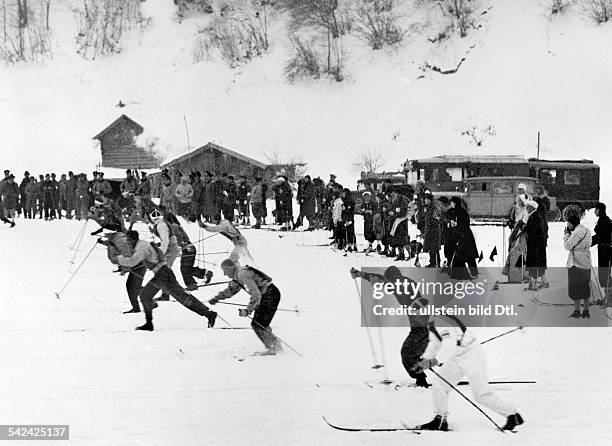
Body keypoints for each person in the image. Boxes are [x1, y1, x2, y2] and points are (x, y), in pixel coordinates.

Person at [415, 319, 524, 431]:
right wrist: (423, 360)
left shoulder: (440, 321)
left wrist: (433, 361)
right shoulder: (431, 323)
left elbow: (449, 346)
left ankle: (512, 415)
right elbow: (435, 344)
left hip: (471, 355)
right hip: (456, 356)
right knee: (439, 384)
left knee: (480, 394)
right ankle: (440, 420)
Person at [113, 230, 217, 331]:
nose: (127, 243)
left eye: (128, 241)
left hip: (163, 275)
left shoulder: (141, 248)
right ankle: (149, 323)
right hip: (161, 274)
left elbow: (133, 261)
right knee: (145, 295)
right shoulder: (141, 244)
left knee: (182, 297)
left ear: (132, 240)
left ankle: (209, 314)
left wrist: (118, 259)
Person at [350, 266, 431, 388]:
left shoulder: (403, 284)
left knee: (407, 352)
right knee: (411, 353)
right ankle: (422, 376)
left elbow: (388, 283)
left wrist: (376, 283)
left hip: (423, 326)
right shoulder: (399, 282)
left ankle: (422, 380)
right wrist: (360, 274)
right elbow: (381, 279)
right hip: (419, 326)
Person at [209, 258, 282, 355]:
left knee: (257, 324)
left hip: (270, 294)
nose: (225, 274)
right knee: (261, 322)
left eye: (225, 271)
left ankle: (274, 347)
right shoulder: (238, 276)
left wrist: (248, 310)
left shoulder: (242, 275)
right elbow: (231, 290)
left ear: (230, 268)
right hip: (269, 294)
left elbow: (256, 294)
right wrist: (217, 298)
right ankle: (275, 344)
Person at [165, 212, 213, 291]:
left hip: (187, 248)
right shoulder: (176, 225)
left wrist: (184, 244)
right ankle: (203, 274)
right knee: (186, 268)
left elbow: (180, 237)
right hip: (189, 248)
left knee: (184, 269)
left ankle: (192, 284)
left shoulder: (173, 226)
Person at [149, 208, 181, 302]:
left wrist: (161, 253)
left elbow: (165, 240)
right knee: (164, 271)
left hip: (171, 248)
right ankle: (165, 293)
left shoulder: (161, 226)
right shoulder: (160, 224)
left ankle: (167, 294)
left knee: (165, 271)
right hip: (170, 248)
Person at [564, 214, 592, 318]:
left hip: (576, 263)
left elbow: (567, 246)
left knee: (575, 288)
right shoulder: (587, 230)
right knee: (585, 287)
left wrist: (566, 235)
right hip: (586, 261)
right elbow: (590, 242)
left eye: (568, 223)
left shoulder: (576, 232)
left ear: (572, 223)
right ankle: (586, 311)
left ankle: (577, 310)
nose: (567, 225)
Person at [447, 197, 479, 279]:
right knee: (463, 256)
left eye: (452, 202)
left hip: (465, 236)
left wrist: (458, 235)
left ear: (455, 203)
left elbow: (463, 225)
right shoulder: (454, 212)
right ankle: (461, 273)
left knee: (468, 256)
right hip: (461, 236)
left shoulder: (461, 213)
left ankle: (472, 273)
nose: (451, 204)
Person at [523, 199, 547, 290]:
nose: (526, 208)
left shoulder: (535, 217)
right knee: (538, 264)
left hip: (535, 245)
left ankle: (533, 284)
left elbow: (533, 230)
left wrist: (525, 228)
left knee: (534, 264)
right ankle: (543, 282)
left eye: (527, 207)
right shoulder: (535, 216)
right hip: (537, 245)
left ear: (532, 208)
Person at [591, 202, 612, 306]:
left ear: (600, 210)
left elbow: (601, 237)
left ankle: (609, 299)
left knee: (604, 275)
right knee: (604, 275)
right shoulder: (603, 220)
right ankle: (607, 298)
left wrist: (588, 242)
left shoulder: (605, 221)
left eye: (596, 209)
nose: (595, 211)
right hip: (604, 250)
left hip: (606, 251)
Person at [423, 191, 441, 267]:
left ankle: (436, 262)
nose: (425, 201)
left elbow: (437, 219)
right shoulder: (427, 208)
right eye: (424, 199)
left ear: (430, 200)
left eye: (426, 199)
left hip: (434, 231)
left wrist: (430, 223)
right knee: (430, 247)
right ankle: (432, 262)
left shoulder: (435, 208)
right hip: (428, 230)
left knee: (434, 248)